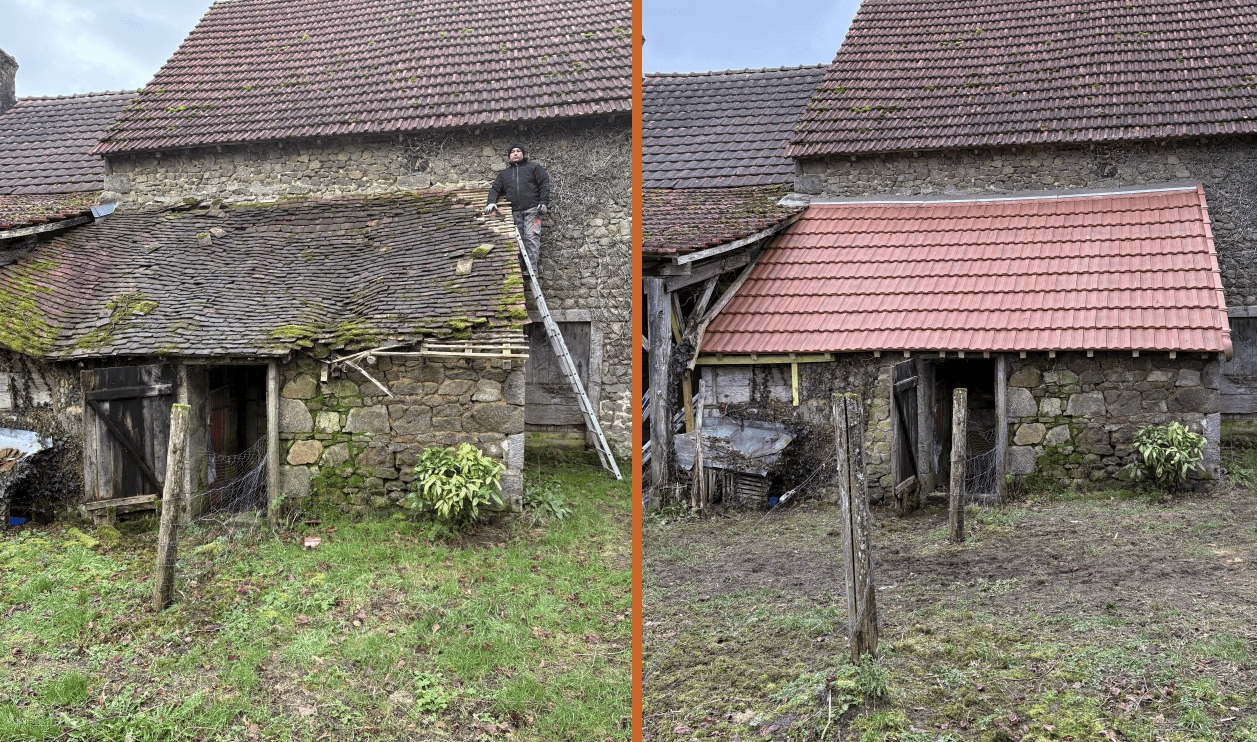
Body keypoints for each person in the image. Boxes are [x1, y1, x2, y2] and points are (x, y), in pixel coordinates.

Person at [484, 143, 550, 275]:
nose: (515, 153)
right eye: (512, 151)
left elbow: (544, 184)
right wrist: (491, 202)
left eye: (518, 151)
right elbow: (495, 188)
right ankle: (519, 270)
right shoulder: (504, 174)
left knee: (532, 237)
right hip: (514, 213)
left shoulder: (534, 167)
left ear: (523, 154)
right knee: (516, 242)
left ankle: (532, 270)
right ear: (509, 156)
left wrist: (544, 202)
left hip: (533, 210)